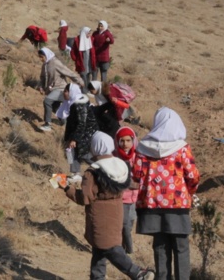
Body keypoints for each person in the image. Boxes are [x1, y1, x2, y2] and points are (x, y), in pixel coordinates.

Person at [58, 132, 155, 280]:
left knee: (109, 249)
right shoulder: (120, 166)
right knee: (99, 250)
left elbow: (84, 198)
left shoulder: (93, 172)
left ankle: (137, 273)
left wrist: (66, 188)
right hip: (116, 212)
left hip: (99, 216)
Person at [133, 107, 199, 280]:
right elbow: (192, 176)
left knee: (160, 246)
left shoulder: (142, 148)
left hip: (152, 205)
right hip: (177, 205)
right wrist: (189, 193)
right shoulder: (182, 148)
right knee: (181, 247)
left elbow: (136, 174)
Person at [59, 83, 98, 183]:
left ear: (71, 92)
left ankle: (101, 168)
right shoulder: (72, 103)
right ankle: (75, 173)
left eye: (66, 91)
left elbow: (82, 123)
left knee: (84, 154)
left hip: (85, 133)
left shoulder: (79, 104)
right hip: (78, 133)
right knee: (72, 152)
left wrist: (74, 139)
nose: (64, 93)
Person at [39, 48, 84, 132]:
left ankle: (47, 124)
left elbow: (68, 72)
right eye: (40, 57)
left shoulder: (55, 63)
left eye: (42, 57)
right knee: (54, 107)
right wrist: (41, 87)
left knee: (47, 101)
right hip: (52, 89)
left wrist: (80, 81)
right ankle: (66, 122)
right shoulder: (45, 65)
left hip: (61, 89)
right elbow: (42, 77)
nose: (41, 59)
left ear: (46, 55)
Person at [114, 126, 140, 255]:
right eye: (122, 141)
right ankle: (128, 251)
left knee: (129, 225)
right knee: (124, 225)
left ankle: (124, 250)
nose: (125, 144)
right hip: (121, 197)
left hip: (134, 198)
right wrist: (129, 183)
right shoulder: (115, 157)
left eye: (128, 140)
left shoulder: (137, 156)